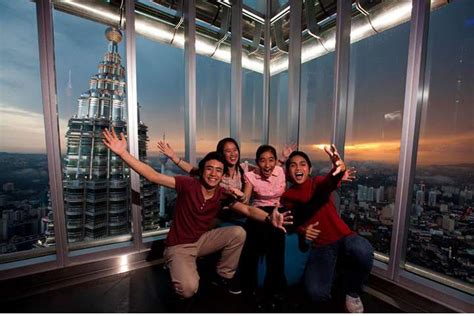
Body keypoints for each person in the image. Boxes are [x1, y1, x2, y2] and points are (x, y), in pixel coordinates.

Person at [102, 128, 293, 301]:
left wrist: (269, 218)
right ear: (202, 171)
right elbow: (153, 176)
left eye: (219, 170)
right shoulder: (188, 185)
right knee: (188, 289)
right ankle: (176, 263)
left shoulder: (222, 193)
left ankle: (223, 276)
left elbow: (248, 209)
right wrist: (123, 153)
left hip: (201, 241)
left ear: (222, 175)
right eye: (209, 169)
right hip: (179, 245)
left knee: (238, 233)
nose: (214, 174)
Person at [281, 146, 373, 313]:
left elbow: (329, 182)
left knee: (363, 250)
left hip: (343, 237)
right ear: (288, 172)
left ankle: (352, 291)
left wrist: (339, 167)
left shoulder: (316, 183)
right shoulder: (287, 196)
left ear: (309, 169)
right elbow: (290, 221)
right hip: (321, 246)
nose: (298, 168)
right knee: (316, 293)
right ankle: (338, 273)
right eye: (293, 165)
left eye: (302, 164)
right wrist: (303, 230)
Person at [240, 144, 288, 308]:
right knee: (252, 242)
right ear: (257, 162)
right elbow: (246, 198)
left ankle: (272, 290)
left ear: (276, 161)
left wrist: (283, 158)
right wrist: (240, 197)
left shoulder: (280, 171)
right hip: (258, 211)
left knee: (278, 237)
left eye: (271, 160)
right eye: (262, 161)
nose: (267, 165)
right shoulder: (250, 176)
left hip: (277, 210)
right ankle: (250, 289)